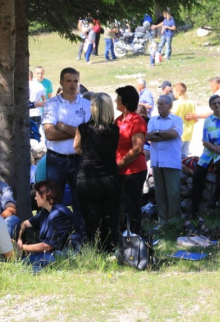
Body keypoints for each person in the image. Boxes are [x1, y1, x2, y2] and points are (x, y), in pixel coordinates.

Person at [42, 67, 91, 239]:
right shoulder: (52, 104)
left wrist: (63, 126)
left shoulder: (86, 105)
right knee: (53, 200)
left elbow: (88, 135)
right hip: (56, 160)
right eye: (68, 81)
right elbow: (50, 134)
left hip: (79, 160)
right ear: (61, 82)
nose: (72, 84)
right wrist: (77, 131)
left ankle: (81, 239)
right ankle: (54, 239)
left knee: (81, 201)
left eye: (75, 81)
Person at [74, 93, 121, 252]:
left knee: (91, 218)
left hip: (89, 178)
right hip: (110, 177)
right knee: (110, 216)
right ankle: (110, 248)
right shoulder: (115, 129)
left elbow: (76, 147)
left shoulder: (83, 128)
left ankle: (95, 249)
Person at [17, 180, 82, 267]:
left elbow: (48, 246)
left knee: (21, 261)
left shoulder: (59, 214)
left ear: (44, 196)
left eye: (36, 195)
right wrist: (19, 238)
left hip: (66, 254)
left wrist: (21, 247)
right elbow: (25, 224)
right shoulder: (46, 211)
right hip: (53, 252)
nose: (35, 198)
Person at [191, 95, 220, 214]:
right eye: (214, 104)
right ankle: (194, 207)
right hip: (211, 151)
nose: (217, 105)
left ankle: (215, 198)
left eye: (219, 103)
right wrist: (217, 149)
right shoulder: (208, 120)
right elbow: (205, 141)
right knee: (198, 173)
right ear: (210, 106)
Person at [115, 85, 148, 234]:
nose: (115, 101)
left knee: (132, 204)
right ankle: (122, 234)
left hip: (133, 170)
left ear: (126, 102)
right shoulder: (118, 120)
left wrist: (119, 165)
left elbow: (137, 149)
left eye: (118, 99)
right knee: (119, 205)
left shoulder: (137, 120)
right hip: (119, 170)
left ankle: (135, 236)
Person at [146, 95, 183, 223]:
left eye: (162, 104)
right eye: (158, 104)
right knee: (159, 193)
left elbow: (174, 134)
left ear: (169, 106)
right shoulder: (153, 120)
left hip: (170, 161)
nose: (159, 106)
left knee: (173, 193)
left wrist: (156, 133)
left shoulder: (177, 120)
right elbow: (148, 136)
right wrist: (163, 133)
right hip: (156, 161)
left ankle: (174, 220)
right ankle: (162, 220)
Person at [171, 82, 196, 158]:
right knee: (184, 156)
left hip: (179, 134)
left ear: (178, 91)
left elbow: (171, 118)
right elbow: (195, 119)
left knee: (175, 156)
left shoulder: (176, 104)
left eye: (174, 91)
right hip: (188, 134)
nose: (173, 94)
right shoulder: (191, 103)